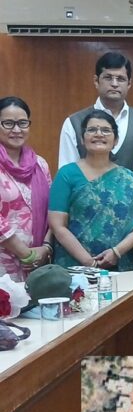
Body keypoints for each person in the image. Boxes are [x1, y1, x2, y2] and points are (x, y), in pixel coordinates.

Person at [49, 110, 133, 270]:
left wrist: (116, 252)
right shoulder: (67, 174)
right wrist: (90, 263)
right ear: (82, 139)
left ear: (116, 140)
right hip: (75, 267)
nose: (99, 134)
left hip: (120, 265)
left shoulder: (131, 180)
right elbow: (57, 226)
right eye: (92, 130)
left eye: (106, 130)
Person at [58, 52, 133, 170]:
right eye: (108, 78)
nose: (114, 84)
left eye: (120, 79)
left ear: (129, 83)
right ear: (96, 81)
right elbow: (67, 173)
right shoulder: (73, 123)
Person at [0, 97, 53, 280]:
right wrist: (26, 254)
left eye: (22, 123)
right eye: (8, 123)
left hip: (37, 263)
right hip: (4, 264)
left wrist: (46, 248)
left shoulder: (40, 164)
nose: (17, 130)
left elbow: (53, 210)